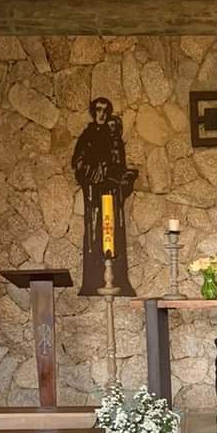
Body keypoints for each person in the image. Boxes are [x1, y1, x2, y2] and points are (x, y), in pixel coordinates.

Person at [72, 97, 137, 296]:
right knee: (94, 232)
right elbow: (78, 163)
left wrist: (120, 176)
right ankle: (94, 279)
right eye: (98, 110)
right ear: (93, 112)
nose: (101, 114)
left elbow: (119, 164)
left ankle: (116, 277)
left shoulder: (113, 136)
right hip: (94, 193)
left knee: (113, 232)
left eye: (105, 110)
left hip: (111, 192)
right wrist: (94, 171)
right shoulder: (87, 136)